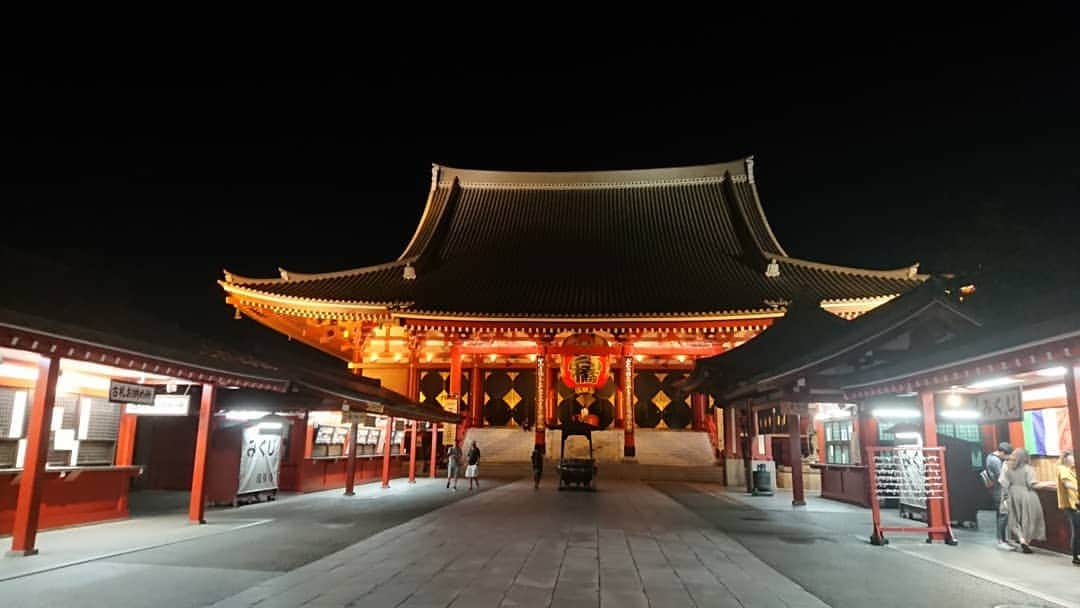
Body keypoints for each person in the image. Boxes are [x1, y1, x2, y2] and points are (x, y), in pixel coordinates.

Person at [1001, 447, 1047, 553]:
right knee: (1029, 518)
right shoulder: (1028, 468)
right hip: (1026, 494)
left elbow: (1005, 483)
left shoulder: (1008, 468)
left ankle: (1021, 539)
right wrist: (1047, 483)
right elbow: (1032, 484)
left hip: (1013, 493)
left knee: (1015, 519)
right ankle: (1026, 541)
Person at [985, 442, 1014, 550]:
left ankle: (1002, 539)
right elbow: (1001, 476)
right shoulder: (995, 460)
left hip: (996, 489)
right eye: (1006, 455)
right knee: (1003, 514)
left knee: (1001, 514)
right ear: (1001, 452)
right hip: (999, 490)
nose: (1006, 458)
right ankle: (1001, 540)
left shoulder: (990, 457)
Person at [1057, 450, 1080, 564]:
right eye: (1072, 457)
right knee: (1077, 530)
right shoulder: (1063, 469)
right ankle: (1076, 556)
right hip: (1071, 505)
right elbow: (1067, 484)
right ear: (1066, 458)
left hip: (1075, 503)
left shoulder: (1071, 470)